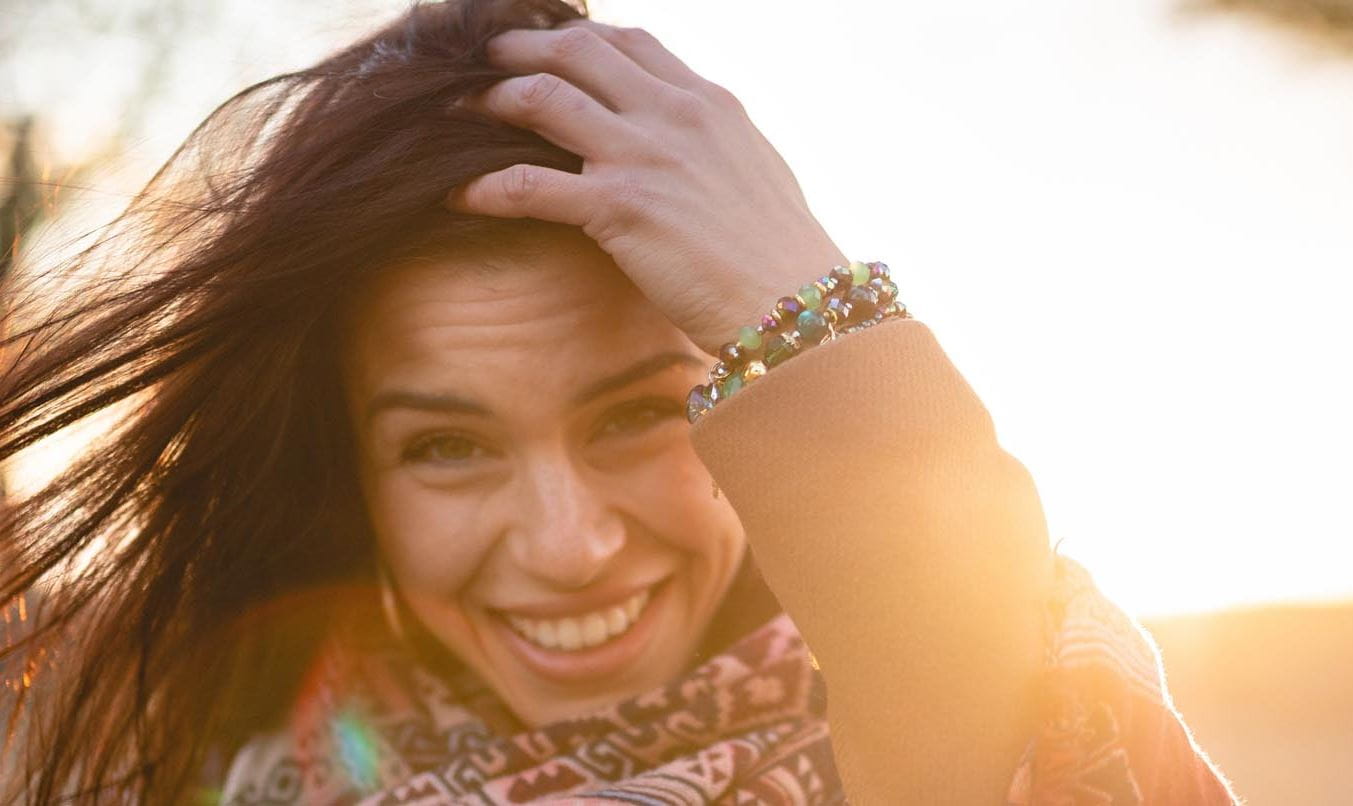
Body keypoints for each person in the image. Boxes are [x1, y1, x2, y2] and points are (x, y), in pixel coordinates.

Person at [0, 0, 1237, 803]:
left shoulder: (964, 732)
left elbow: (953, 645)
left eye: (641, 413)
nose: (569, 543)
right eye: (444, 444)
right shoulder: (226, 761)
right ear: (350, 474)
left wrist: (808, 296)